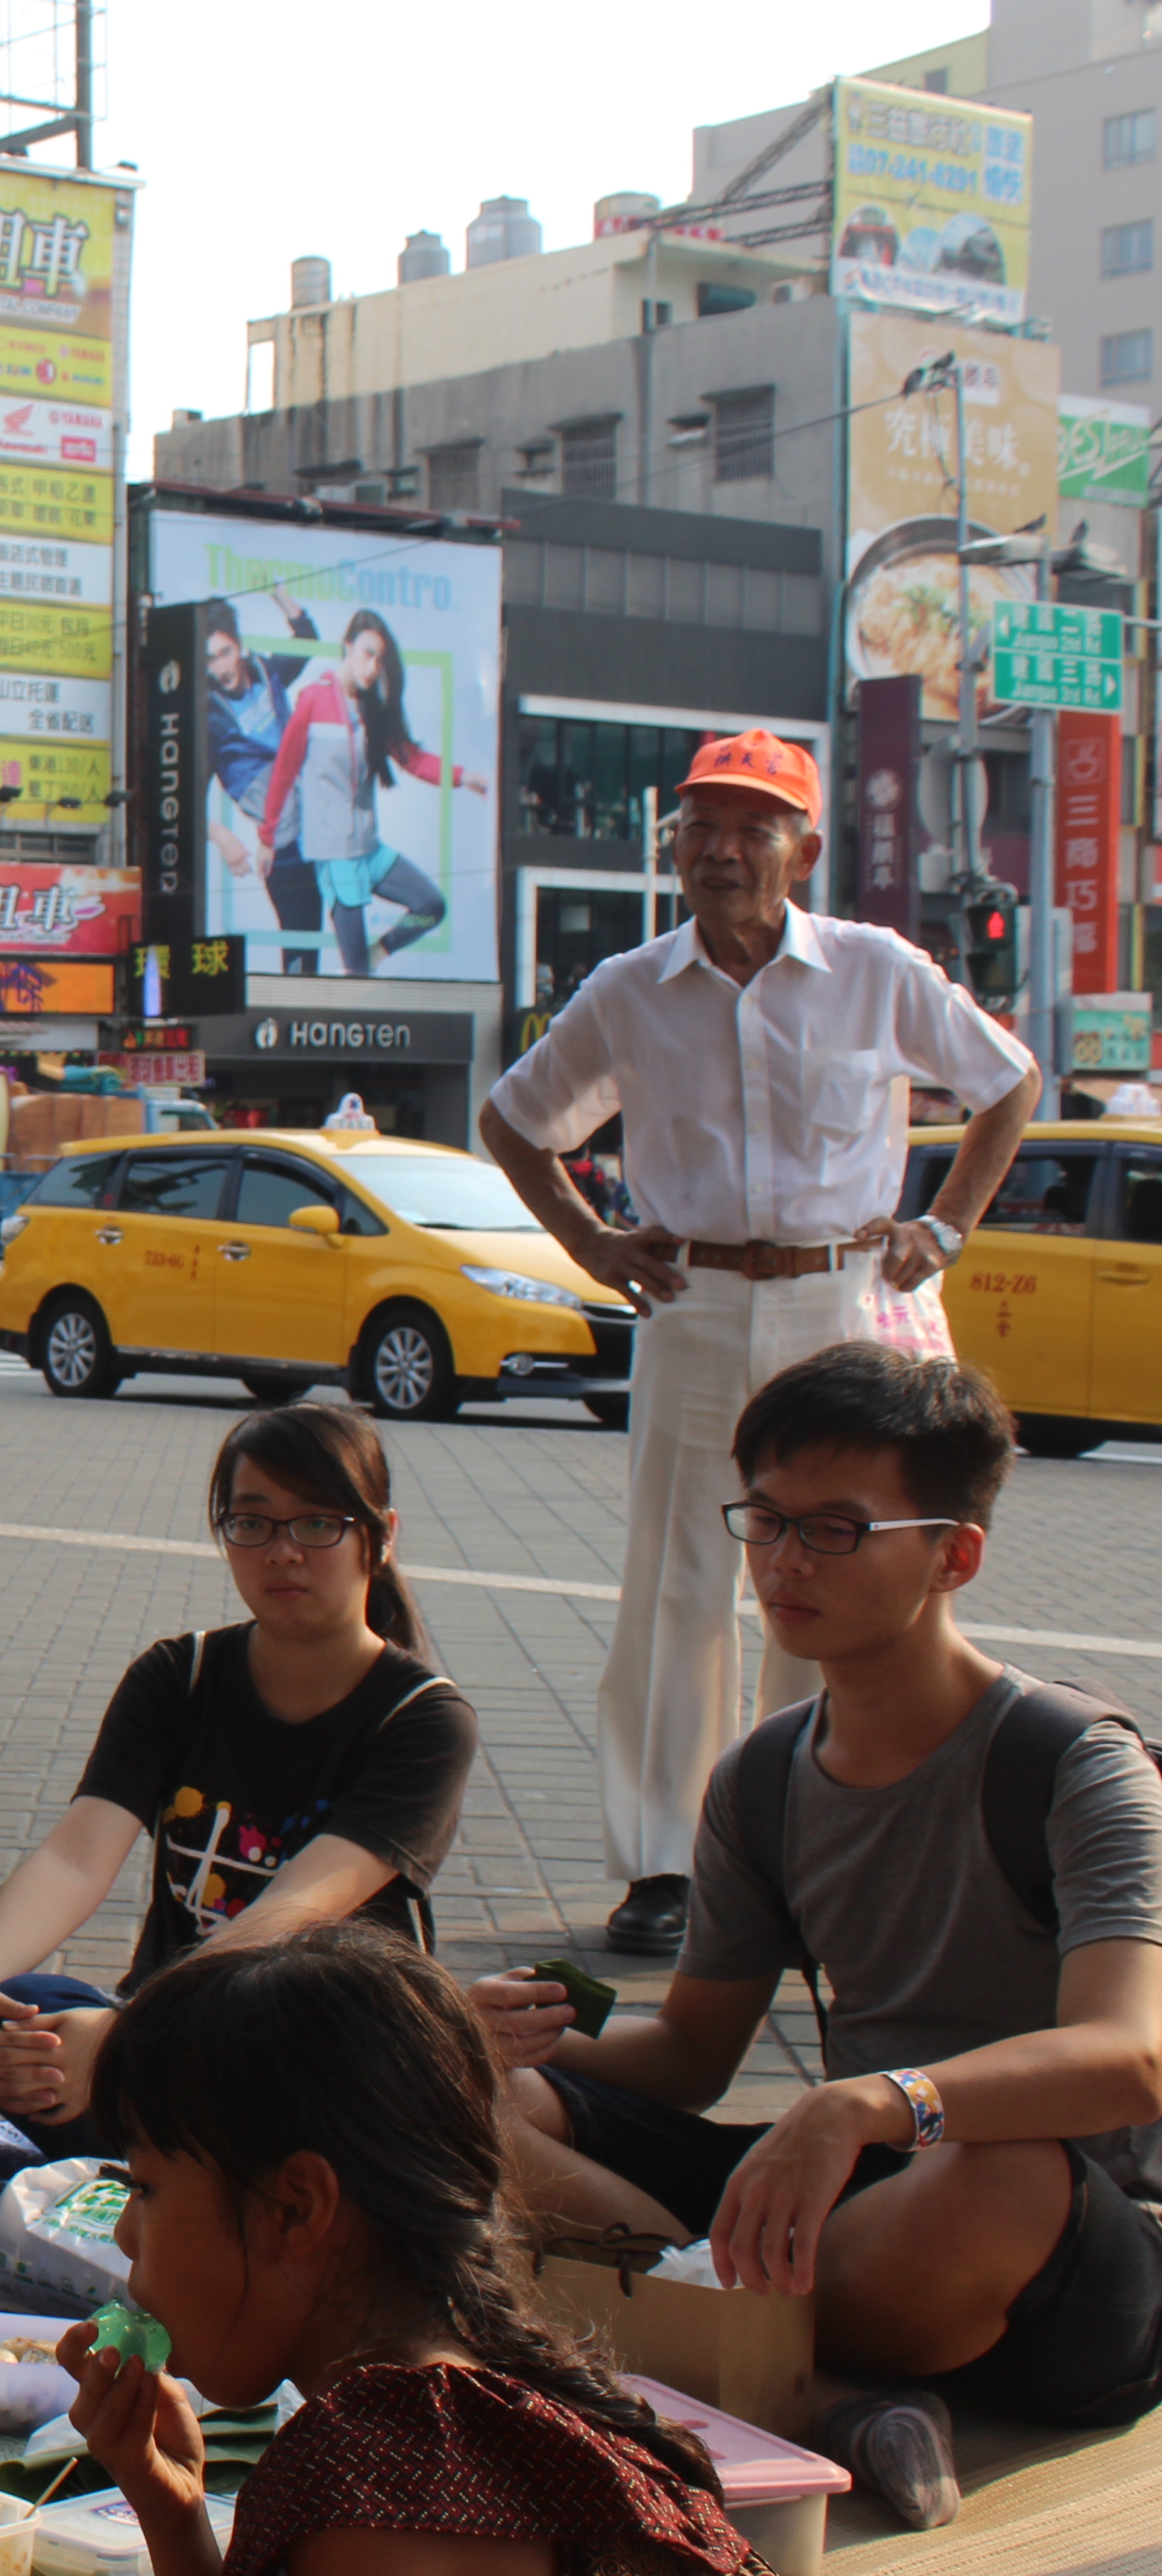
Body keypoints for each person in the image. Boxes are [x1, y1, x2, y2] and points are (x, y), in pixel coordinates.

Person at [478, 1345, 1162, 2526]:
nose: (785, 1562)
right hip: (848, 2203)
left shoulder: (1076, 1765)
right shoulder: (763, 1776)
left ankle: (699, 2340)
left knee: (991, 2171)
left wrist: (869, 2102)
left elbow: (1128, 2057)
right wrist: (511, 2031)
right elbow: (692, 2054)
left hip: (1047, 2245)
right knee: (465, 2105)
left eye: (836, 1530)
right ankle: (831, 2390)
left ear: (955, 1553)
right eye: (768, 1521)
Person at [480, 727, 1038, 1955]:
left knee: (830, 1577)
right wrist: (592, 1245)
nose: (720, 848)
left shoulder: (871, 969)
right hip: (689, 1306)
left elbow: (1004, 1079)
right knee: (674, 1586)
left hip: (841, 1306)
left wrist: (943, 1224)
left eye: (750, 825)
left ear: (803, 847)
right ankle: (661, 1868)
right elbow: (514, 1116)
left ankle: (804, 1856)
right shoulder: (629, 988)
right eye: (700, 825)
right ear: (671, 843)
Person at [57, 1925, 765, 2576]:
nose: (123, 2233)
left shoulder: (383, 2493)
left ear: (296, 2209)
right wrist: (174, 2516)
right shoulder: (467, 2411)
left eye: (145, 2187)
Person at [0, 1405, 473, 2154]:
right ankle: (167, 2178)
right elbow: (76, 1857)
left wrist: (131, 2034)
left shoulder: (421, 1719)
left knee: (321, 2123)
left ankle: (160, 2179)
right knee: (21, 2015)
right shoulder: (177, 1678)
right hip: (172, 2045)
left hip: (327, 2056)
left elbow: (296, 1908)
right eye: (252, 1523)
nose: (282, 1552)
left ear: (379, 1535)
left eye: (317, 1524)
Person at [259, 607, 486, 976]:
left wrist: (463, 777)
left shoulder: (372, 710)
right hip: (334, 855)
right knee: (358, 975)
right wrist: (268, 836)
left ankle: (378, 952)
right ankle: (358, 977)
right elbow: (285, 769)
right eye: (367, 653)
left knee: (431, 906)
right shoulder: (314, 699)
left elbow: (413, 759)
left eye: (380, 659)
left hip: (369, 849)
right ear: (347, 646)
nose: (372, 667)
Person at [197, 590, 322, 959]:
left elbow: (308, 641)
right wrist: (221, 835)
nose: (222, 668)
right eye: (210, 660)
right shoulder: (209, 715)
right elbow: (180, 803)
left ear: (240, 647)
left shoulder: (267, 671)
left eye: (226, 653)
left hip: (309, 822)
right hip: (277, 827)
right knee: (300, 949)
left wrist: (281, 594)